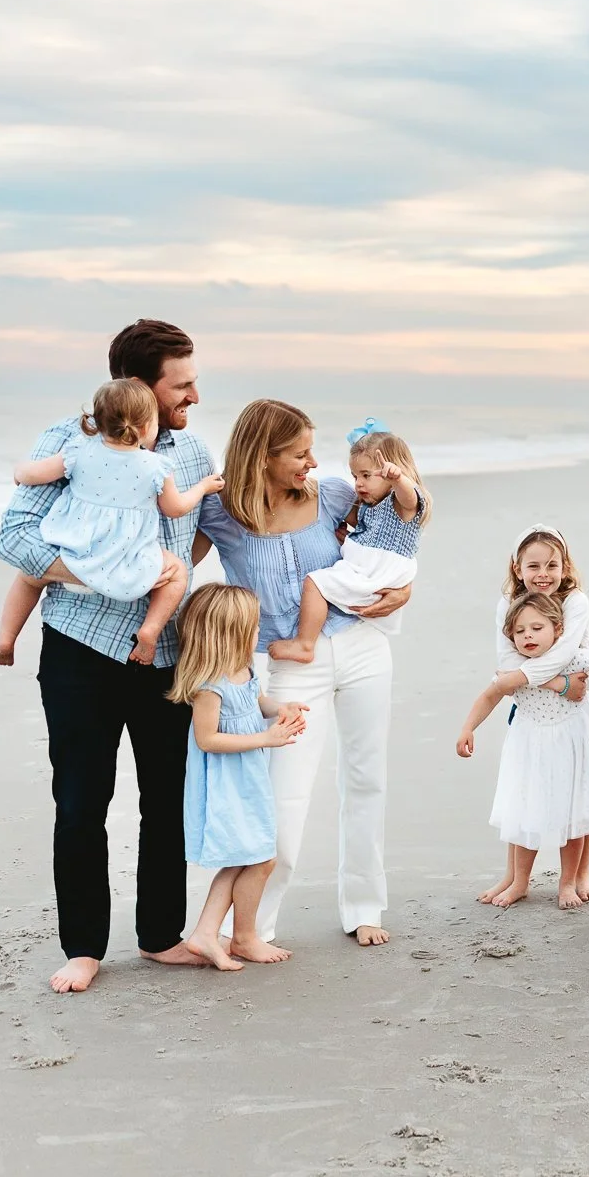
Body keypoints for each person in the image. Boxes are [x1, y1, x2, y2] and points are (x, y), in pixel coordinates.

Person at [0, 319, 216, 993]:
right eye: (182, 385)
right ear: (141, 388)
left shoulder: (192, 452)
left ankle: (160, 936)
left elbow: (209, 536)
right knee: (82, 799)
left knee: (168, 798)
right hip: (79, 649)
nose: (196, 395)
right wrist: (109, 573)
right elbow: (16, 538)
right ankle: (84, 946)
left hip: (167, 652)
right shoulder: (69, 441)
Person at [195, 401, 411, 948]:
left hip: (362, 646)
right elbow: (171, 566)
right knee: (283, 799)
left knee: (368, 779)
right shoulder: (219, 512)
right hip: (288, 665)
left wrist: (406, 589)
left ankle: (365, 906)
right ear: (262, 457)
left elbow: (392, 542)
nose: (313, 462)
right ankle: (253, 927)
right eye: (300, 453)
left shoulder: (337, 495)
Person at [0, 378, 223, 666]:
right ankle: (150, 631)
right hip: (125, 557)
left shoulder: (78, 450)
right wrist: (202, 487)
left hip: (72, 547)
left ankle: (5, 639)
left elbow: (33, 474)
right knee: (177, 572)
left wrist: (19, 472)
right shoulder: (155, 465)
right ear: (144, 427)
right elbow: (175, 509)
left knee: (29, 577)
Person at [476, 525, 589, 906]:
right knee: (525, 790)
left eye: (552, 565)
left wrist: (547, 680)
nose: (543, 574)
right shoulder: (507, 605)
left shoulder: (574, 601)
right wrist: (558, 685)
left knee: (582, 792)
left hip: (586, 703)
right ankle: (514, 876)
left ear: (565, 567)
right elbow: (507, 659)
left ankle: (579, 874)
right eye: (534, 566)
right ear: (517, 568)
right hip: (536, 707)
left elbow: (564, 653)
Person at [171, 584, 307, 970]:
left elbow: (256, 700)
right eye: (252, 625)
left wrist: (281, 709)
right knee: (259, 858)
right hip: (226, 784)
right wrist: (265, 737)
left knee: (250, 858)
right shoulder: (209, 684)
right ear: (229, 633)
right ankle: (242, 936)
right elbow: (207, 738)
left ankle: (209, 933)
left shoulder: (243, 668)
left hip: (248, 779)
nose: (257, 631)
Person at [267, 420, 428, 663]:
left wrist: (398, 478)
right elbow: (369, 537)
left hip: (377, 574)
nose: (359, 484)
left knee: (316, 582)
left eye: (366, 475)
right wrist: (351, 543)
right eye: (355, 476)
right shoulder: (369, 507)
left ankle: (304, 644)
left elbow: (410, 498)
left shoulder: (400, 505)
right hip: (375, 572)